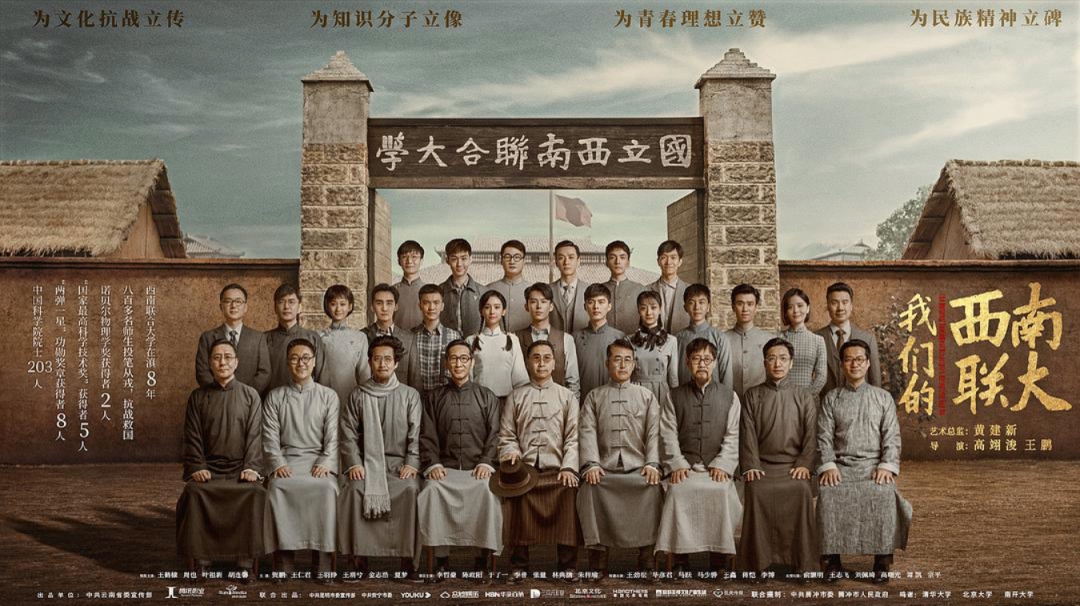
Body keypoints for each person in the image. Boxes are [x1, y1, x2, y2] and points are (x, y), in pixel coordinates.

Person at [817, 339, 912, 585]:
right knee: (829, 493)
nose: (854, 364)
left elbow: (892, 436)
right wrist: (828, 465)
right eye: (849, 359)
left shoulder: (882, 398)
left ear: (868, 363)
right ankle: (832, 560)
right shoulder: (832, 398)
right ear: (842, 365)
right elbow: (823, 437)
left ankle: (882, 561)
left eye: (859, 359)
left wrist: (886, 465)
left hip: (874, 466)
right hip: (841, 466)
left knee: (883, 492)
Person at [177, 339, 266, 583]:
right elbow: (192, 436)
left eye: (228, 357)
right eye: (217, 357)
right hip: (209, 470)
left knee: (255, 493)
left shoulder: (250, 395)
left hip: (240, 470)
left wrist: (251, 467)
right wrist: (197, 467)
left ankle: (245, 563)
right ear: (209, 363)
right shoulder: (198, 397)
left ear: (236, 362)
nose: (222, 362)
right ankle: (202, 562)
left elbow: (255, 436)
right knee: (194, 493)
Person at [337, 336, 424, 581]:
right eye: (377, 359)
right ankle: (358, 562)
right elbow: (347, 434)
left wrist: (412, 463)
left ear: (396, 363)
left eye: (388, 359)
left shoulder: (410, 395)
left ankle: (408, 563)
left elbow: (416, 435)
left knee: (410, 490)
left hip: (399, 465)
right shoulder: (357, 395)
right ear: (369, 362)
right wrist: (354, 463)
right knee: (353, 490)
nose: (382, 364)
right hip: (366, 464)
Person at [577, 339, 663, 579]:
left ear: (634, 364)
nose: (623, 365)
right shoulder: (594, 397)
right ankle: (598, 563)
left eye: (627, 360)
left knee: (653, 488)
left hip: (638, 468)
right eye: (617, 359)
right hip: (604, 469)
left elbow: (654, 433)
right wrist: (592, 464)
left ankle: (647, 561)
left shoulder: (646, 396)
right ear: (607, 363)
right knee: (590, 489)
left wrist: (652, 463)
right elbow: (586, 432)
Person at [656, 338, 741, 577]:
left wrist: (723, 464)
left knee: (721, 492)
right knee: (677, 492)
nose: (702, 364)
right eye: (696, 359)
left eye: (707, 359)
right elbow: (667, 433)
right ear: (687, 363)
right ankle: (680, 559)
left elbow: (733, 435)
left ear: (714, 363)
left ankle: (719, 560)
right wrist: (677, 464)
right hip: (685, 468)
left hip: (716, 468)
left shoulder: (730, 396)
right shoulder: (673, 396)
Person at [418, 340, 503, 579]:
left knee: (488, 492)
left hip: (479, 469)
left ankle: (482, 559)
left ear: (472, 362)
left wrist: (486, 461)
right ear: (446, 363)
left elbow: (495, 434)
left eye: (464, 358)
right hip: (445, 470)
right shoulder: (434, 397)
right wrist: (433, 463)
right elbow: (427, 435)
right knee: (431, 490)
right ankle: (441, 560)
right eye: (453, 358)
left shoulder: (486, 397)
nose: (458, 364)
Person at [498, 340, 582, 583]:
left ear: (555, 363)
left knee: (568, 490)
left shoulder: (567, 397)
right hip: (525, 470)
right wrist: (511, 453)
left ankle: (567, 565)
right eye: (536, 358)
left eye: (547, 358)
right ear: (527, 363)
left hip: (558, 470)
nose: (541, 363)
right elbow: (507, 435)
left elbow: (574, 437)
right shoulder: (516, 396)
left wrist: (569, 467)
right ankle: (518, 565)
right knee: (515, 493)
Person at [739, 338, 819, 581]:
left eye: (783, 359)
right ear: (764, 362)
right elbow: (747, 434)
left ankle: (802, 564)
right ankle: (758, 564)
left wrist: (804, 464)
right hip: (762, 466)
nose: (777, 364)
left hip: (793, 467)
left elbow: (811, 435)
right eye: (772, 358)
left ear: (791, 363)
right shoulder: (752, 395)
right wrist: (752, 465)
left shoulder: (804, 396)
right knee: (756, 490)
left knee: (801, 490)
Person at [262, 338, 339, 583]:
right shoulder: (275, 396)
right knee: (277, 488)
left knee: (327, 489)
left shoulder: (329, 396)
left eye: (306, 357)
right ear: (288, 363)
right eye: (294, 358)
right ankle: (283, 564)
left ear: (314, 362)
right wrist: (278, 463)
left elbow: (333, 437)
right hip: (287, 461)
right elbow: (269, 437)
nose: (301, 363)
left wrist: (326, 463)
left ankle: (322, 564)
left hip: (318, 461)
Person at [195, 283, 270, 396]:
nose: (233, 305)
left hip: (248, 399)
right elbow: (202, 372)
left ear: (245, 307)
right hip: (216, 398)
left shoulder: (258, 338)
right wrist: (220, 393)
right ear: (221, 307)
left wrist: (245, 394)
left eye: (238, 301)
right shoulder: (207, 337)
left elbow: (264, 372)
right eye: (228, 301)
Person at [815, 282, 882, 398]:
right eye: (834, 303)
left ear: (851, 306)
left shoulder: (868, 339)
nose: (840, 308)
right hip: (825, 406)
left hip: (861, 404)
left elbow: (875, 381)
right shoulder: (815, 338)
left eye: (845, 302)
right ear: (827, 306)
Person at [515, 282, 581, 400]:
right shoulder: (515, 338)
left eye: (544, 301)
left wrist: (571, 408)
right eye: (533, 302)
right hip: (525, 405)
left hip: (557, 405)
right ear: (526, 306)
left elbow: (572, 383)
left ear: (551, 306)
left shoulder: (566, 339)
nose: (539, 306)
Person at [466, 290, 529, 406]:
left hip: (506, 402)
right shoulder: (471, 340)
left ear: (503, 311)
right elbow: (467, 377)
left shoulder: (512, 339)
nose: (492, 311)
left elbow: (520, 379)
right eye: (487, 307)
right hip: (479, 401)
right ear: (481, 311)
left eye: (497, 307)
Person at [404, 284, 463, 396]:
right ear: (420, 305)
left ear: (442, 306)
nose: (431, 308)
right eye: (426, 303)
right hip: (417, 397)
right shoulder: (410, 336)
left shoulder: (453, 336)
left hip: (446, 397)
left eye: (436, 303)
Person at [318, 285, 371, 408]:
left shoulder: (359, 337)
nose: (338, 309)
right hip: (322, 397)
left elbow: (364, 373)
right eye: (333, 304)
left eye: (342, 304)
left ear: (350, 306)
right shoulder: (318, 336)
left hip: (350, 397)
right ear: (327, 306)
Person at [265, 284, 325, 392]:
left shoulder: (312, 337)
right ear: (275, 307)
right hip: (272, 399)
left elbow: (322, 376)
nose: (286, 307)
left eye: (291, 302)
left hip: (307, 398)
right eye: (281, 302)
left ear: (300, 307)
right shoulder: (264, 339)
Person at [673, 284, 733, 389]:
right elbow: (673, 373)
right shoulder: (677, 338)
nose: (697, 307)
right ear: (685, 307)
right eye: (691, 302)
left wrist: (725, 395)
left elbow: (726, 376)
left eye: (701, 302)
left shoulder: (720, 338)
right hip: (683, 395)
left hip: (713, 395)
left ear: (708, 306)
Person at [574, 284, 625, 401]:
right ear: (585, 306)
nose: (596, 307)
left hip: (612, 400)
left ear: (609, 306)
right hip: (583, 401)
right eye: (591, 302)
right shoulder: (575, 337)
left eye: (601, 302)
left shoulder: (620, 337)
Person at [724, 284, 775, 401]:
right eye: (740, 303)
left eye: (750, 304)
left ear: (756, 307)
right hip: (730, 403)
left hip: (761, 403)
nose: (745, 309)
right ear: (733, 307)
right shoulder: (723, 339)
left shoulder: (768, 339)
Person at [629, 290, 680, 404]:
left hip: (661, 393)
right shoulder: (629, 340)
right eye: (643, 308)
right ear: (638, 310)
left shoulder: (671, 340)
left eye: (653, 307)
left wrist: (675, 401)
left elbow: (673, 378)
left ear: (660, 309)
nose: (649, 312)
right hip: (635, 392)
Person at [779, 288, 827, 397]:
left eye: (800, 306)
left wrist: (805, 398)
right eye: (790, 307)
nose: (796, 311)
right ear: (785, 312)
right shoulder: (777, 338)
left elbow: (821, 376)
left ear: (808, 308)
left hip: (808, 399)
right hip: (780, 398)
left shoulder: (818, 340)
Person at [363, 283, 412, 383]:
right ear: (372, 306)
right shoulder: (362, 336)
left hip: (401, 391)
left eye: (389, 303)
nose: (384, 308)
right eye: (379, 303)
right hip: (369, 390)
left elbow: (414, 378)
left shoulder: (409, 338)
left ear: (396, 306)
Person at [439, 238, 483, 337]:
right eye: (454, 259)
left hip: (475, 344)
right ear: (447, 260)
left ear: (470, 259)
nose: (459, 264)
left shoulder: (483, 292)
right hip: (446, 344)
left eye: (464, 258)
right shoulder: (438, 292)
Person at [602, 240, 646, 336]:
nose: (617, 262)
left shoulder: (641, 290)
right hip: (604, 341)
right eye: (612, 257)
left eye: (622, 257)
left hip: (633, 341)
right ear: (607, 262)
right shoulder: (600, 290)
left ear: (628, 262)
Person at [486, 239, 531, 333]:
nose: (512, 261)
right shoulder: (488, 289)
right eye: (507, 257)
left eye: (517, 257)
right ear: (501, 261)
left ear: (524, 261)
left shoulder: (533, 290)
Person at [648, 240, 691, 334]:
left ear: (680, 261)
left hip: (683, 341)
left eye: (673, 257)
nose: (668, 262)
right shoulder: (646, 290)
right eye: (664, 257)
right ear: (658, 261)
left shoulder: (690, 290)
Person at [550, 240, 591, 334]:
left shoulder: (589, 290)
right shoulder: (547, 290)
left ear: (578, 261)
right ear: (556, 262)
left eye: (571, 257)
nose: (566, 262)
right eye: (561, 258)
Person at [393, 240, 426, 332]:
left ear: (421, 260)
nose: (409, 261)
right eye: (404, 257)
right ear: (399, 261)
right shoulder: (392, 291)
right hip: (397, 338)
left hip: (422, 338)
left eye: (414, 257)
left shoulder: (429, 291)